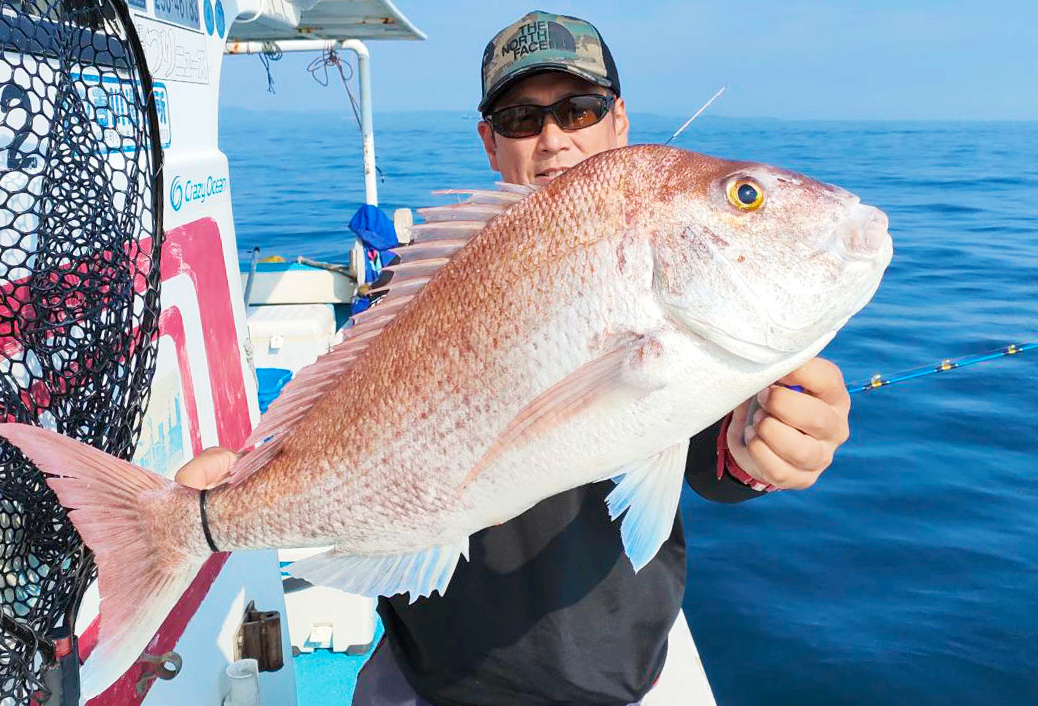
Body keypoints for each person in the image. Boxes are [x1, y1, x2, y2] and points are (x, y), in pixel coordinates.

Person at [350, 11, 852, 706]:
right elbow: (346, 415)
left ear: (618, 121)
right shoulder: (420, 280)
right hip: (424, 676)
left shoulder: (667, 272)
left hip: (611, 682)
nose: (553, 139)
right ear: (489, 142)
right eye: (521, 118)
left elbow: (716, 452)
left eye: (577, 110)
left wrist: (762, 445)